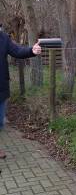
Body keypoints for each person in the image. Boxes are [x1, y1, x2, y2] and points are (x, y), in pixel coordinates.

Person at [0, 29, 41, 159]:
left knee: (0, 122)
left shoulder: (3, 38)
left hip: (1, 87)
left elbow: (17, 51)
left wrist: (31, 51)